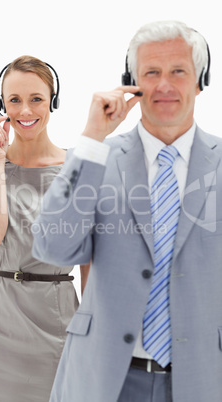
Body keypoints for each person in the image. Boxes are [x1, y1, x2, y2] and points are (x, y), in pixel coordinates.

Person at [32, 21, 222, 402]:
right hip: (103, 380)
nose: (164, 85)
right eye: (151, 72)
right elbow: (52, 247)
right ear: (131, 81)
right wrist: (91, 139)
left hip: (201, 378)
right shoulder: (97, 158)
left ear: (200, 80)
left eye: (178, 71)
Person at [0, 55, 90, 402]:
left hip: (57, 319)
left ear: (53, 102)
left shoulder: (79, 167)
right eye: (14, 100)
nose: (25, 110)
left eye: (36, 99)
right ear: (1, 104)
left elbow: (92, 259)